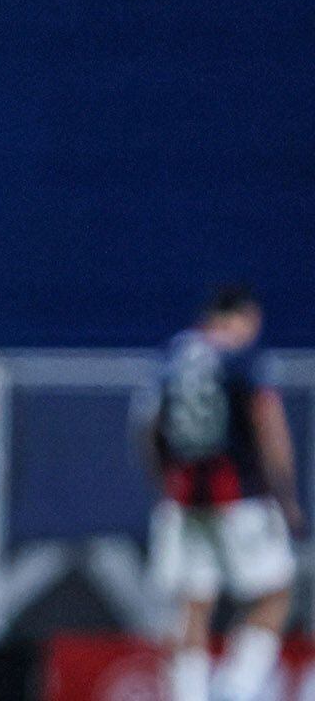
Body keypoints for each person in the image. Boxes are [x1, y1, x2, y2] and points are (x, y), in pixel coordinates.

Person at [142, 285, 300, 701]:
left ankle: (188, 695)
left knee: (192, 602)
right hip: (240, 496)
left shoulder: (173, 356)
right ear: (243, 316)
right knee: (276, 592)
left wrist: (163, 482)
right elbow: (268, 422)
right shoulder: (243, 357)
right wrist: (286, 494)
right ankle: (237, 689)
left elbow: (147, 426)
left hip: (182, 499)